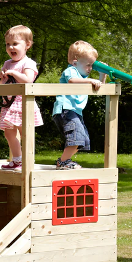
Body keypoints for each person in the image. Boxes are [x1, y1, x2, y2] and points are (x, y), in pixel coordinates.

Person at [52, 40, 106, 170]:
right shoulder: (70, 71)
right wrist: (89, 80)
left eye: (92, 65)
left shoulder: (83, 78)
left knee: (83, 140)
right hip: (65, 109)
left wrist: (102, 76)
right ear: (75, 62)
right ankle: (63, 161)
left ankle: (64, 161)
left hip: (75, 111)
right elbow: (71, 81)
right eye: (88, 65)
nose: (90, 69)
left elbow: (99, 88)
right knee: (76, 136)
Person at [0, 25, 43, 170]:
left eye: (15, 44)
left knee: (25, 133)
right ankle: (17, 159)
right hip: (9, 104)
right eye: (8, 44)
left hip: (22, 103)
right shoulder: (7, 63)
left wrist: (14, 73)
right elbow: (2, 85)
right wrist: (0, 77)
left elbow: (29, 79)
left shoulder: (28, 63)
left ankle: (28, 160)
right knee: (8, 133)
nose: (11, 47)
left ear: (27, 45)